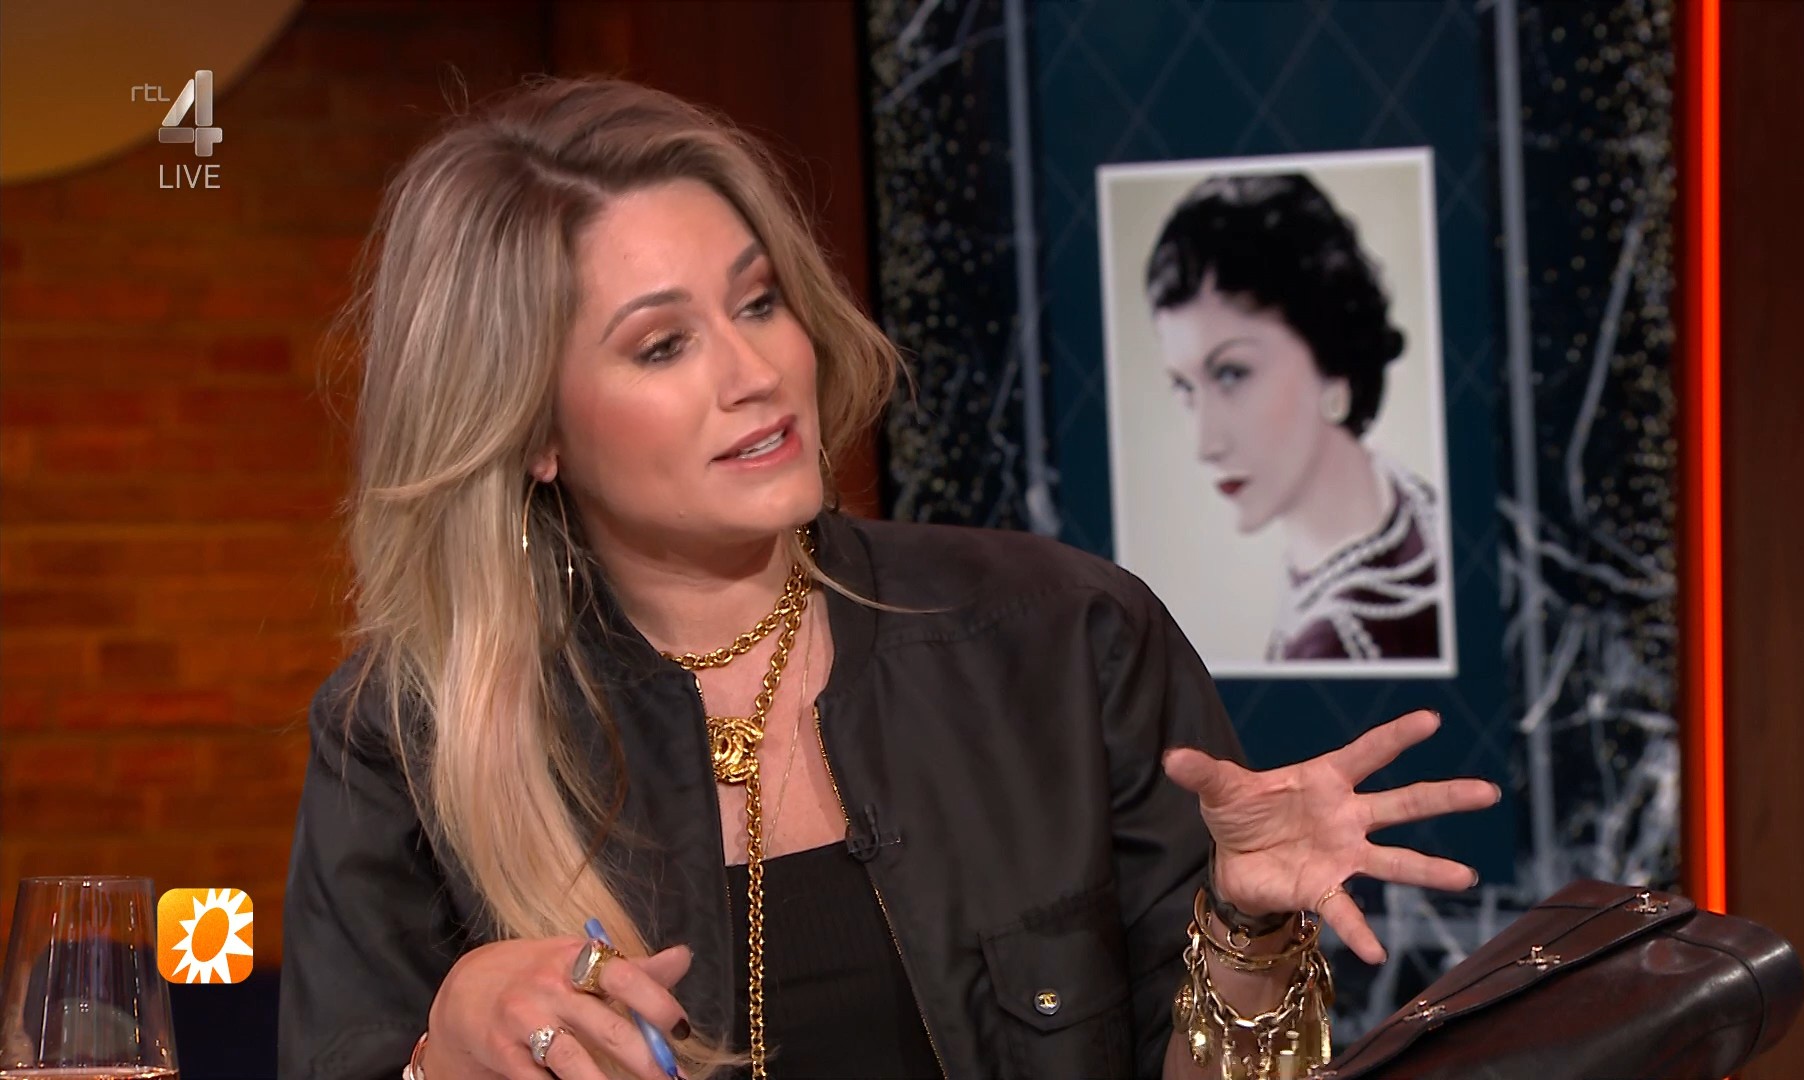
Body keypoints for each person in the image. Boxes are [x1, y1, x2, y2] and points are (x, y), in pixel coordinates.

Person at [278, 77, 1499, 1080]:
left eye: (759, 301)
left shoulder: (1067, 636)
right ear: (533, 430)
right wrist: (443, 1059)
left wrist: (1248, 926)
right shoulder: (405, 741)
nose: (756, 371)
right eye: (662, 345)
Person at [1146, 173, 1449, 666]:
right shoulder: (1417, 510)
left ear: (1332, 363)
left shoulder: (1332, 650)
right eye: (1184, 388)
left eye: (1231, 374)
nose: (1205, 444)